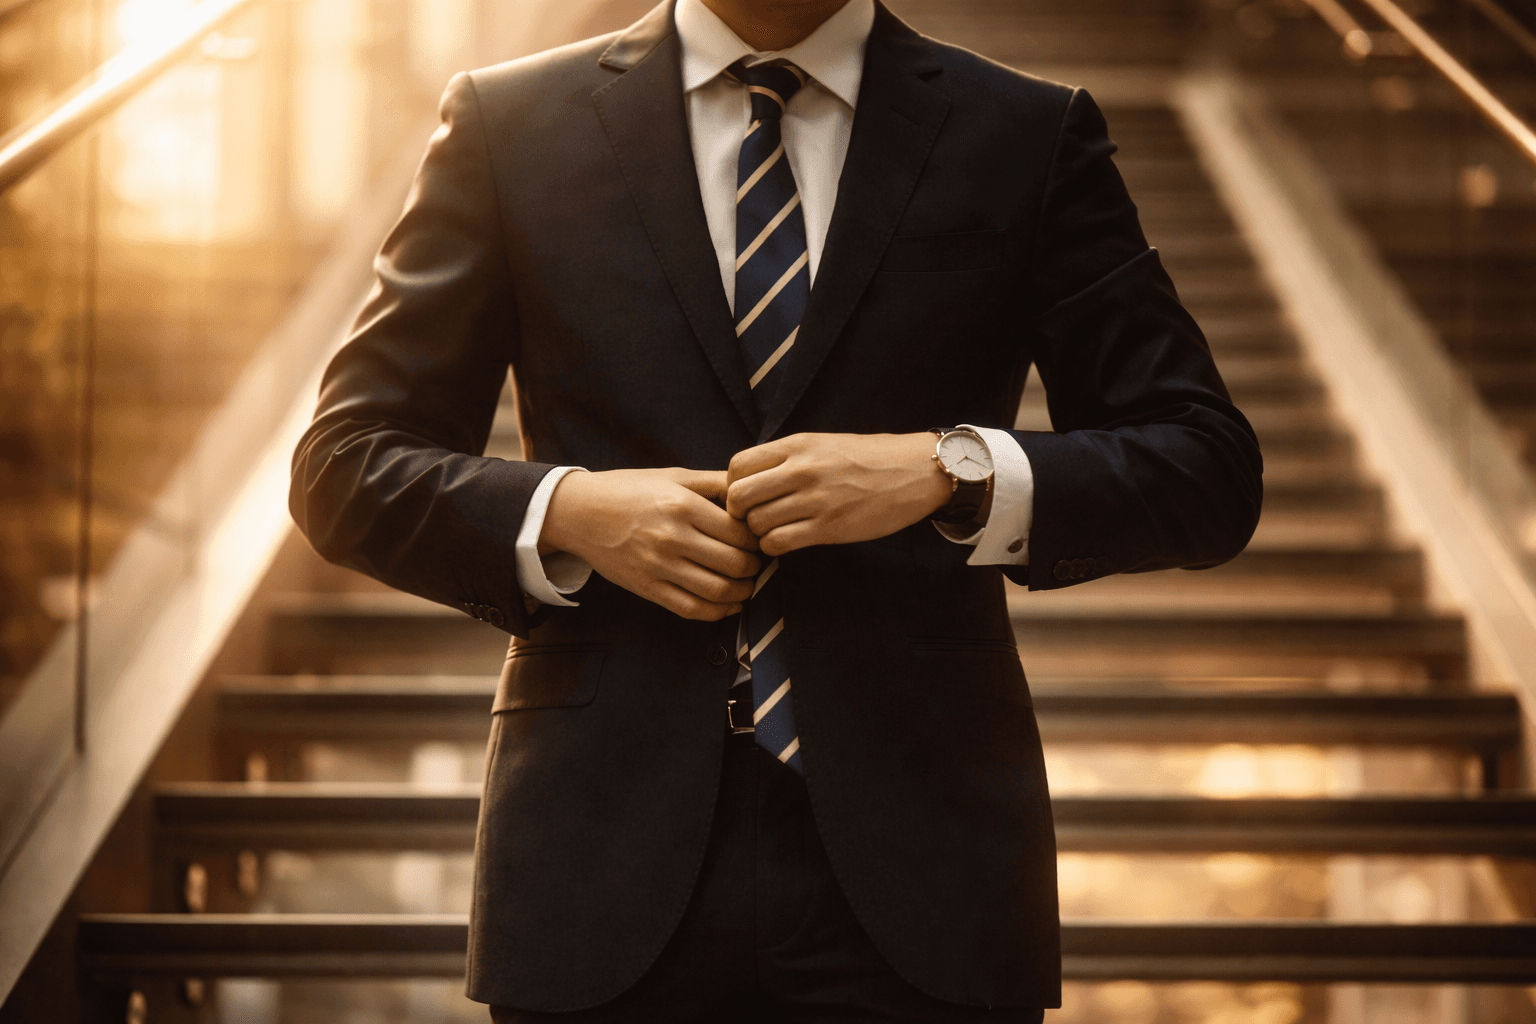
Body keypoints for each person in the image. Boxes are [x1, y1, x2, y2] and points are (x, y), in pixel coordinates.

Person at [289, 0, 1263, 1018]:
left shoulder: (1025, 133)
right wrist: (571, 511)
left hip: (927, 873)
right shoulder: (510, 123)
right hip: (597, 866)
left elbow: (1206, 466)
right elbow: (344, 465)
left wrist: (950, 470)